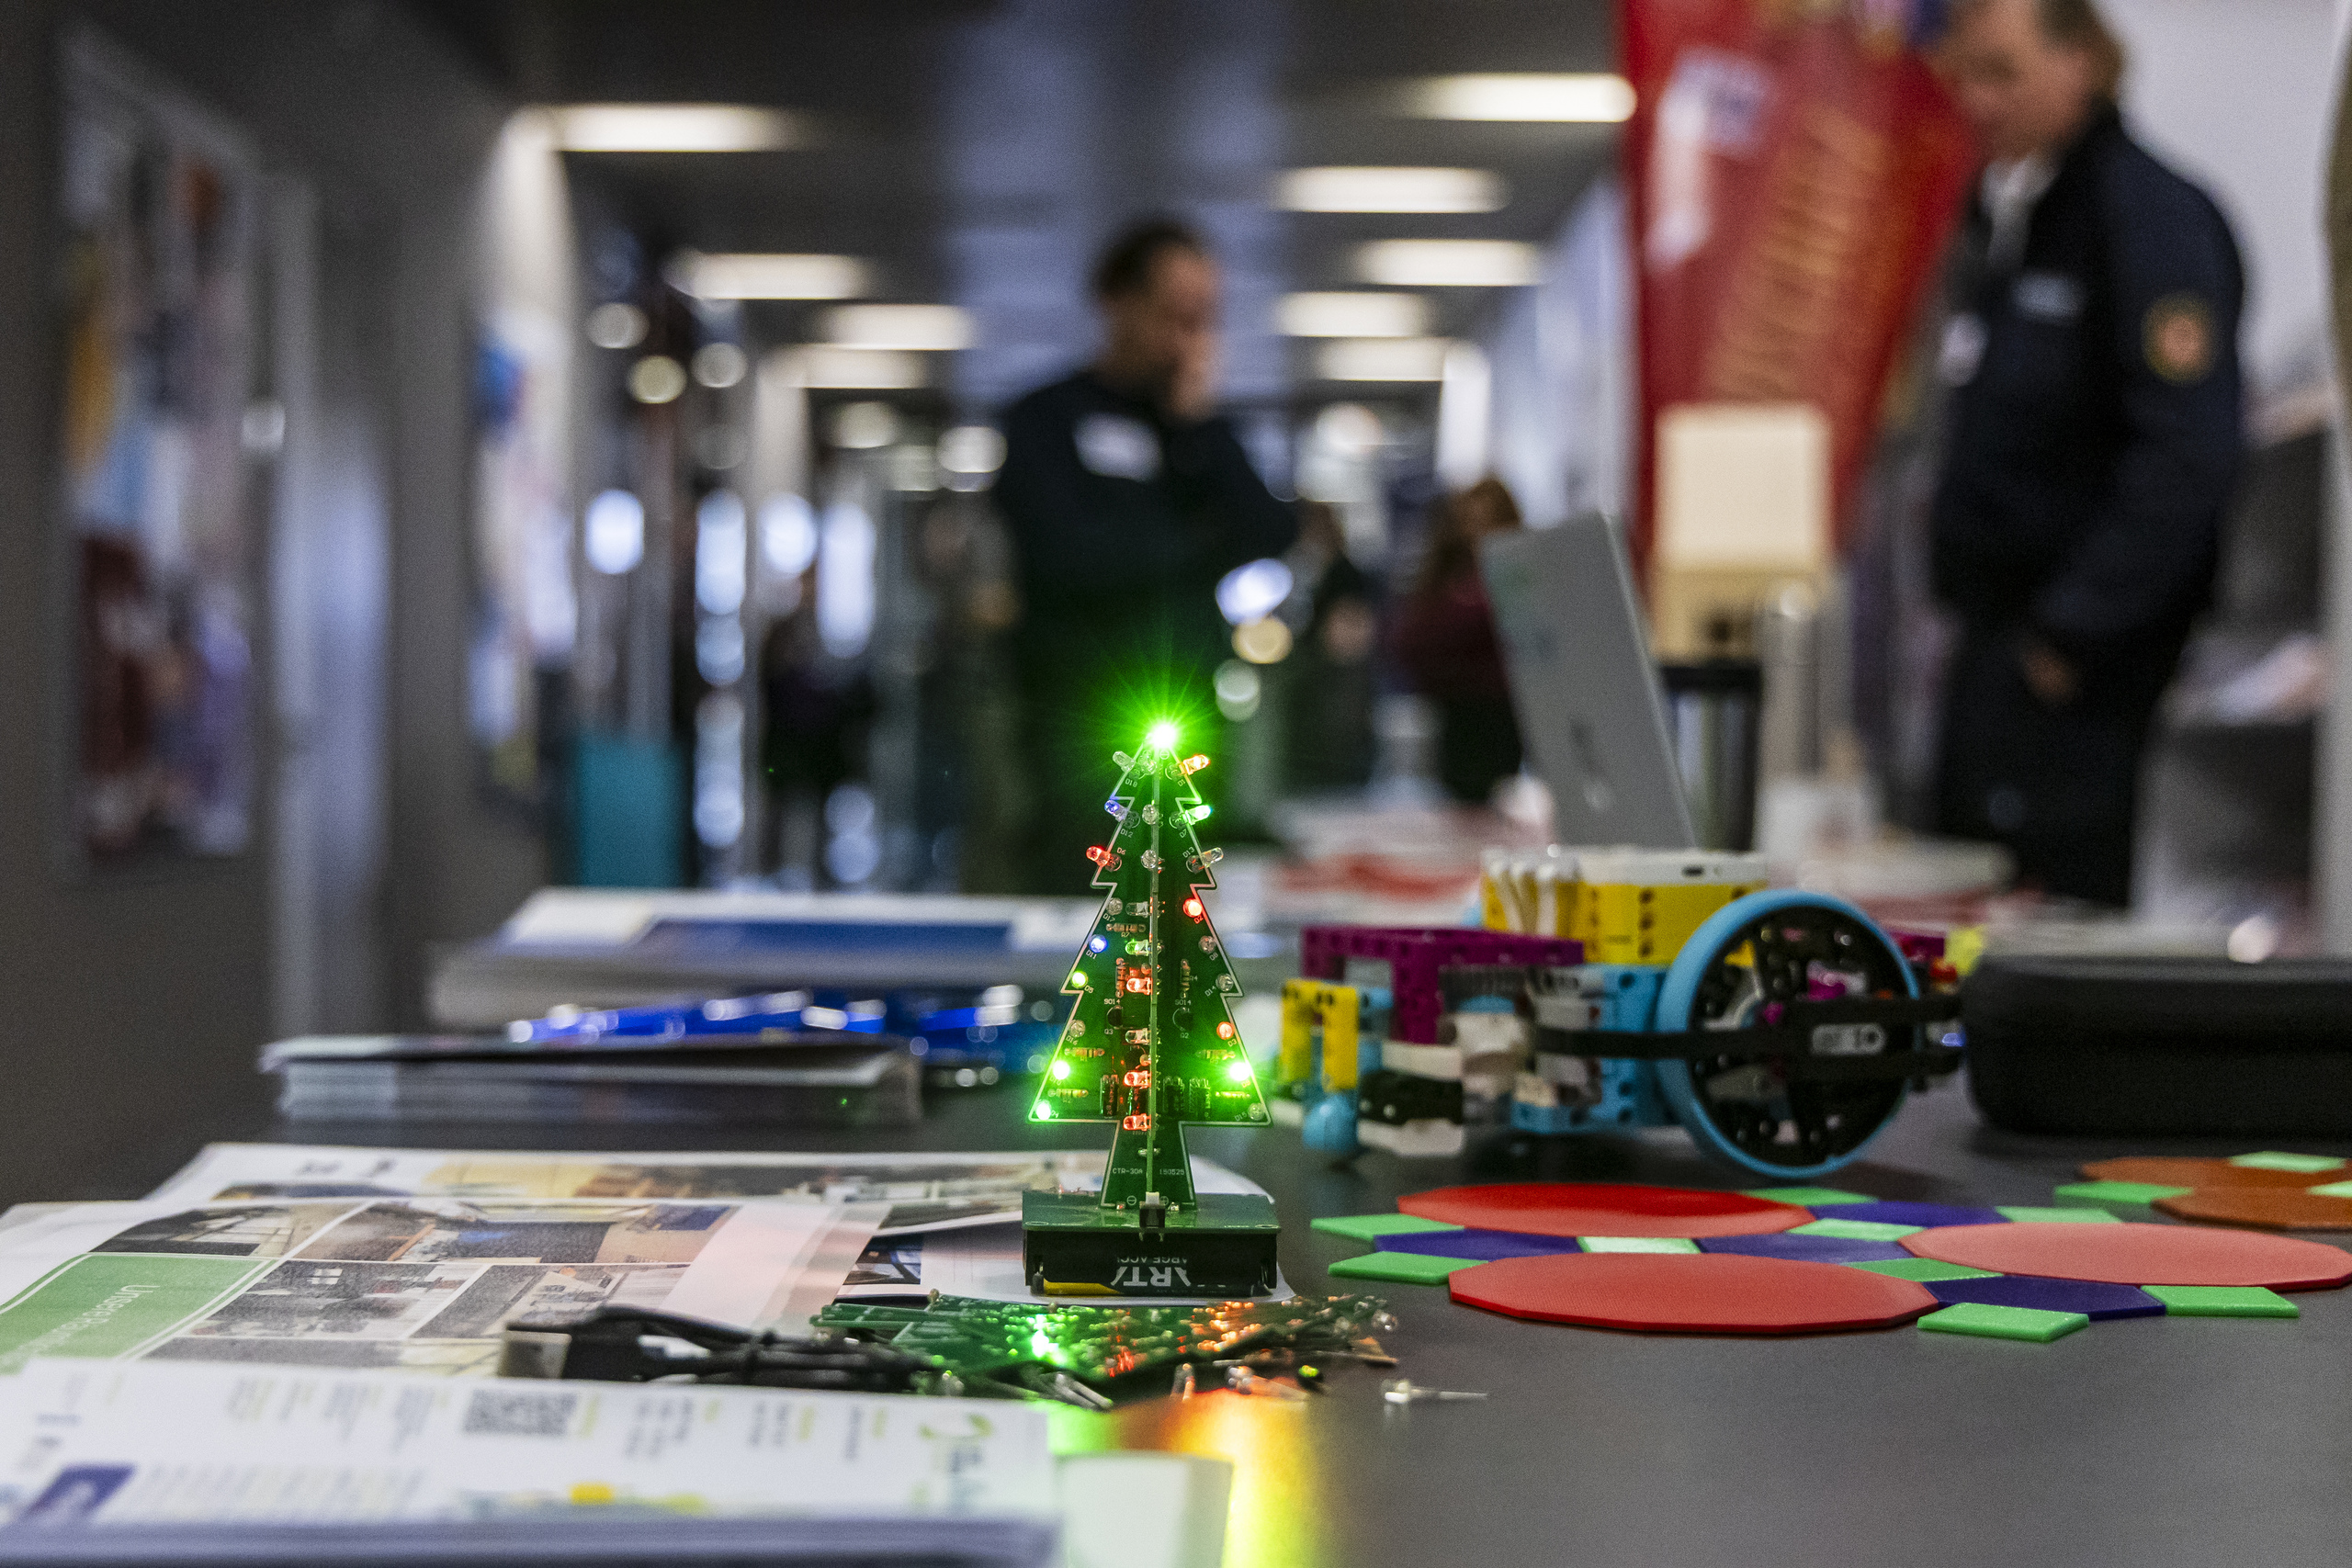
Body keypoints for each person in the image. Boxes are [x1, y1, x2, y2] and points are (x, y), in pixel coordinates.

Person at [1929, 0, 2244, 907]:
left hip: (2075, 674)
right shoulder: (2011, 218)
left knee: (2051, 928)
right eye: (1966, 76)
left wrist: (2070, 634)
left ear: (2081, 63)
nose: (1978, 101)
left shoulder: (2144, 219)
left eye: (2002, 72)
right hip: (1997, 649)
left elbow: (2187, 453)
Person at [991, 219, 1298, 891]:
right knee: (1085, 922)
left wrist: (1200, 429)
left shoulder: (1195, 431)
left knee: (1180, 926)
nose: (1186, 335)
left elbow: (1272, 531)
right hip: (1074, 729)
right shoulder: (1046, 420)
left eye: (1203, 317)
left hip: (1185, 719)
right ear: (1117, 302)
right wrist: (1196, 545)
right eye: (1172, 313)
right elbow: (1067, 558)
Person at [1394, 478, 1525, 804]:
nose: (1476, 531)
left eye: (1485, 520)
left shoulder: (1513, 577)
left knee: (1493, 797)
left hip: (1499, 712)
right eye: (1469, 520)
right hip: (1453, 711)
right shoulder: (1446, 576)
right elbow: (1409, 637)